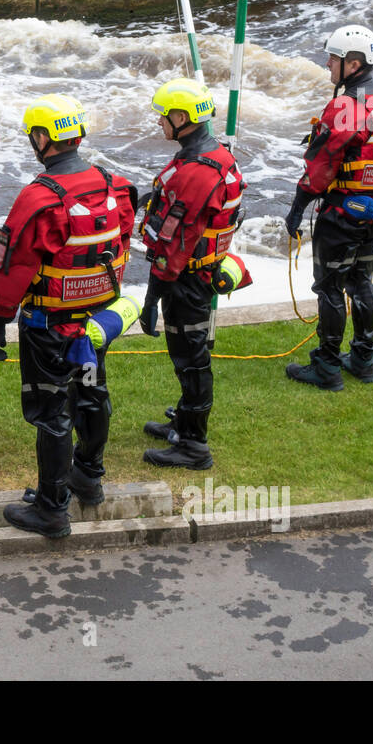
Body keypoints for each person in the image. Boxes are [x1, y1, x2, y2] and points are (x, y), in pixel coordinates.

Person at [0, 94, 136, 537]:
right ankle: (87, 476)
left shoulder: (38, 198)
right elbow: (122, 242)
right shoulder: (115, 185)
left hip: (49, 328)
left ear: (41, 138)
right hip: (92, 326)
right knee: (90, 391)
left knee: (52, 412)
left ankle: (52, 508)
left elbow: (12, 265)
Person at [282, 25, 373, 390]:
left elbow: (319, 168)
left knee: (329, 288)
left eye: (333, 59)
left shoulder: (343, 107)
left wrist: (296, 210)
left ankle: (326, 367)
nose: (327, 64)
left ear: (353, 64)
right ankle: (364, 360)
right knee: (361, 282)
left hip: (340, 214)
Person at [138, 78, 244, 471]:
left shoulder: (197, 171)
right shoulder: (211, 155)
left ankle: (194, 446)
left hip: (187, 280)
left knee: (191, 358)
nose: (160, 123)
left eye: (164, 116)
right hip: (197, 272)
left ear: (182, 118)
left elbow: (173, 246)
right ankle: (184, 422)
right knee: (188, 354)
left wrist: (150, 300)